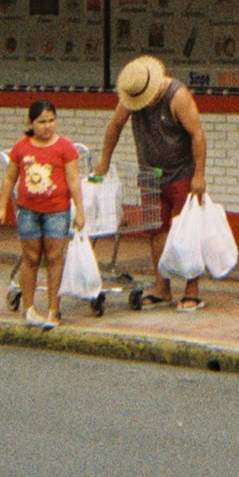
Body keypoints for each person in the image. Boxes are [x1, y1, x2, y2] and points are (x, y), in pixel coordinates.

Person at [94, 55, 207, 311]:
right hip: (150, 173)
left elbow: (197, 134)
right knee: (156, 229)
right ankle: (162, 286)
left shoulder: (177, 96)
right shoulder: (132, 95)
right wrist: (104, 161)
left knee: (187, 229)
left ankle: (192, 289)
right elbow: (115, 126)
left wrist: (199, 175)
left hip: (181, 171)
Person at [0, 99, 85, 329]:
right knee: (30, 258)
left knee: (54, 258)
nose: (47, 126)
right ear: (31, 123)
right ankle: (30, 307)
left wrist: (80, 210)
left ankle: (54, 308)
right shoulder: (21, 147)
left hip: (57, 211)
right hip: (28, 211)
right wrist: (1, 207)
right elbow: (10, 178)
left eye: (51, 120)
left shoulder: (65, 147)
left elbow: (73, 180)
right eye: (42, 121)